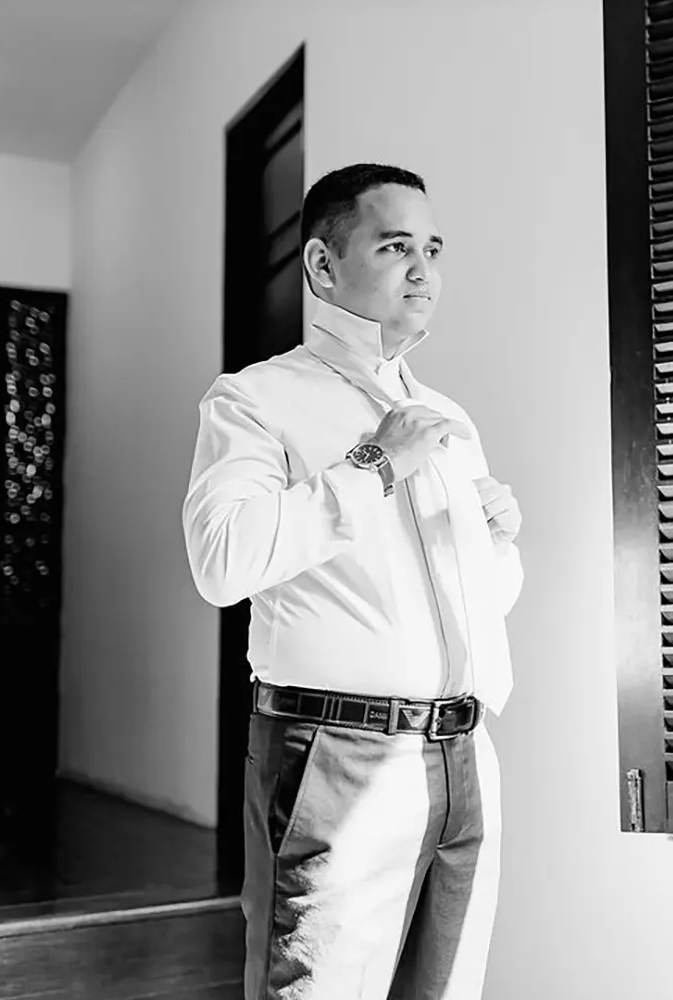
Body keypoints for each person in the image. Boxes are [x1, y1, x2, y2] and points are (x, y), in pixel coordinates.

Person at [182, 163, 523, 1000]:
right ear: (323, 265)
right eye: (396, 246)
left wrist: (496, 543)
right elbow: (221, 561)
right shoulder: (255, 399)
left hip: (465, 756)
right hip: (335, 754)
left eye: (433, 249)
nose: (423, 270)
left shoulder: (449, 419)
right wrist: (373, 465)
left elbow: (481, 604)